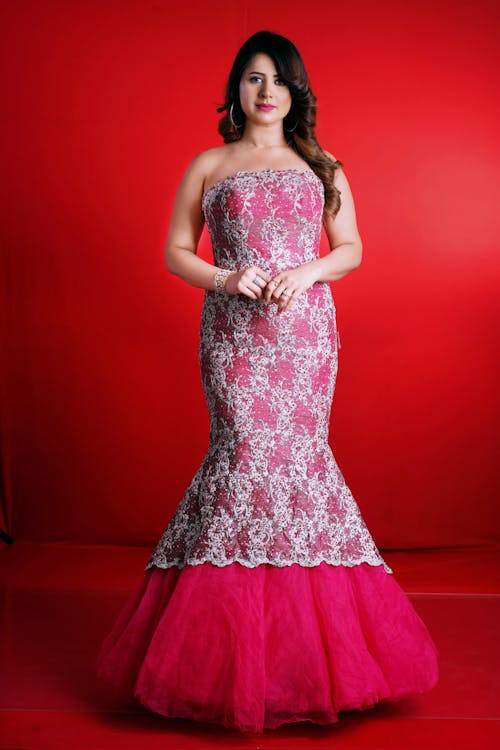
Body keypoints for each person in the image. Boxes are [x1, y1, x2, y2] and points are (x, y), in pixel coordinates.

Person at [96, 30, 439, 733]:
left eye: (278, 79)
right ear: (237, 91)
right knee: (242, 460)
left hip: (304, 340)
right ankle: (227, 662)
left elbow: (351, 249)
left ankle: (301, 664)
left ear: (296, 91)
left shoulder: (323, 165)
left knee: (297, 469)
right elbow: (173, 252)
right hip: (232, 340)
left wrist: (305, 271)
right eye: (253, 79)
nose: (266, 91)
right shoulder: (211, 164)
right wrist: (227, 276)